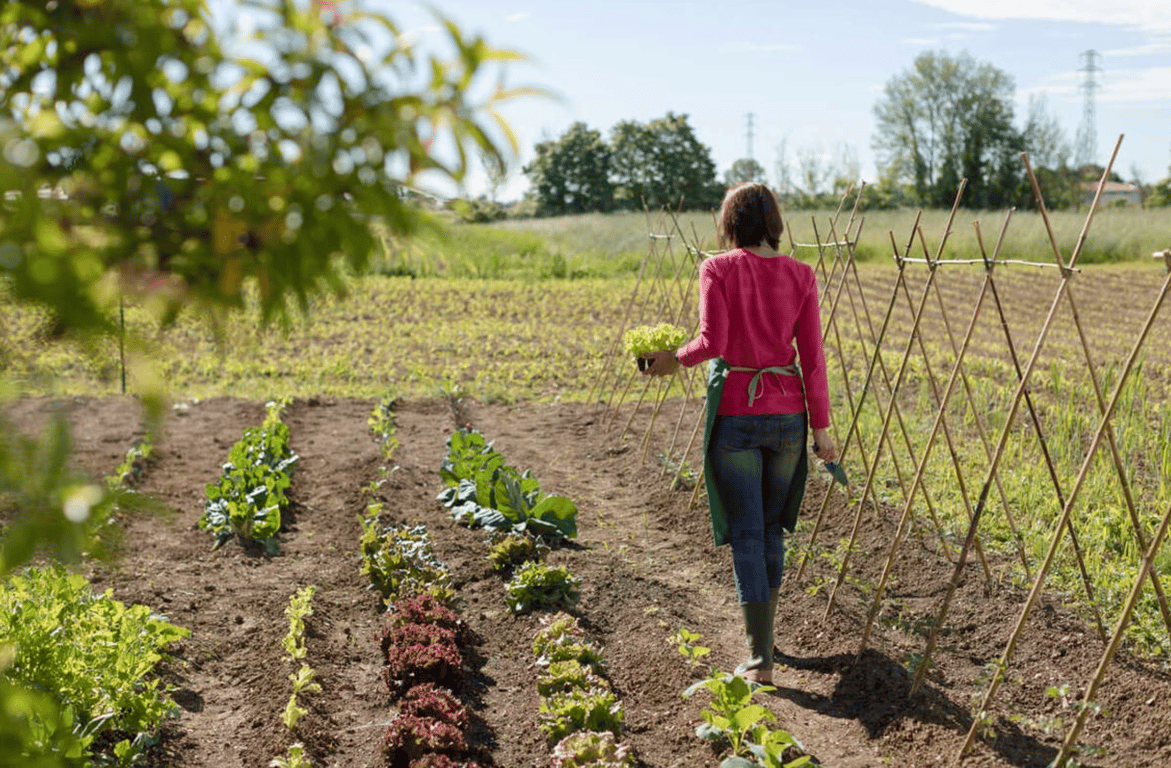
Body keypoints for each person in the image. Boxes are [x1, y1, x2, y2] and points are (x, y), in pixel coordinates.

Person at [642, 182, 836, 685]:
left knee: (748, 532)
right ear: (774, 222)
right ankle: (765, 641)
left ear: (729, 223)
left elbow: (714, 341)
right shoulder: (801, 274)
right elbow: (812, 359)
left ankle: (759, 659)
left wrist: (672, 360)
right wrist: (823, 428)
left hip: (737, 414)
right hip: (789, 416)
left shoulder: (718, 268)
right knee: (772, 529)